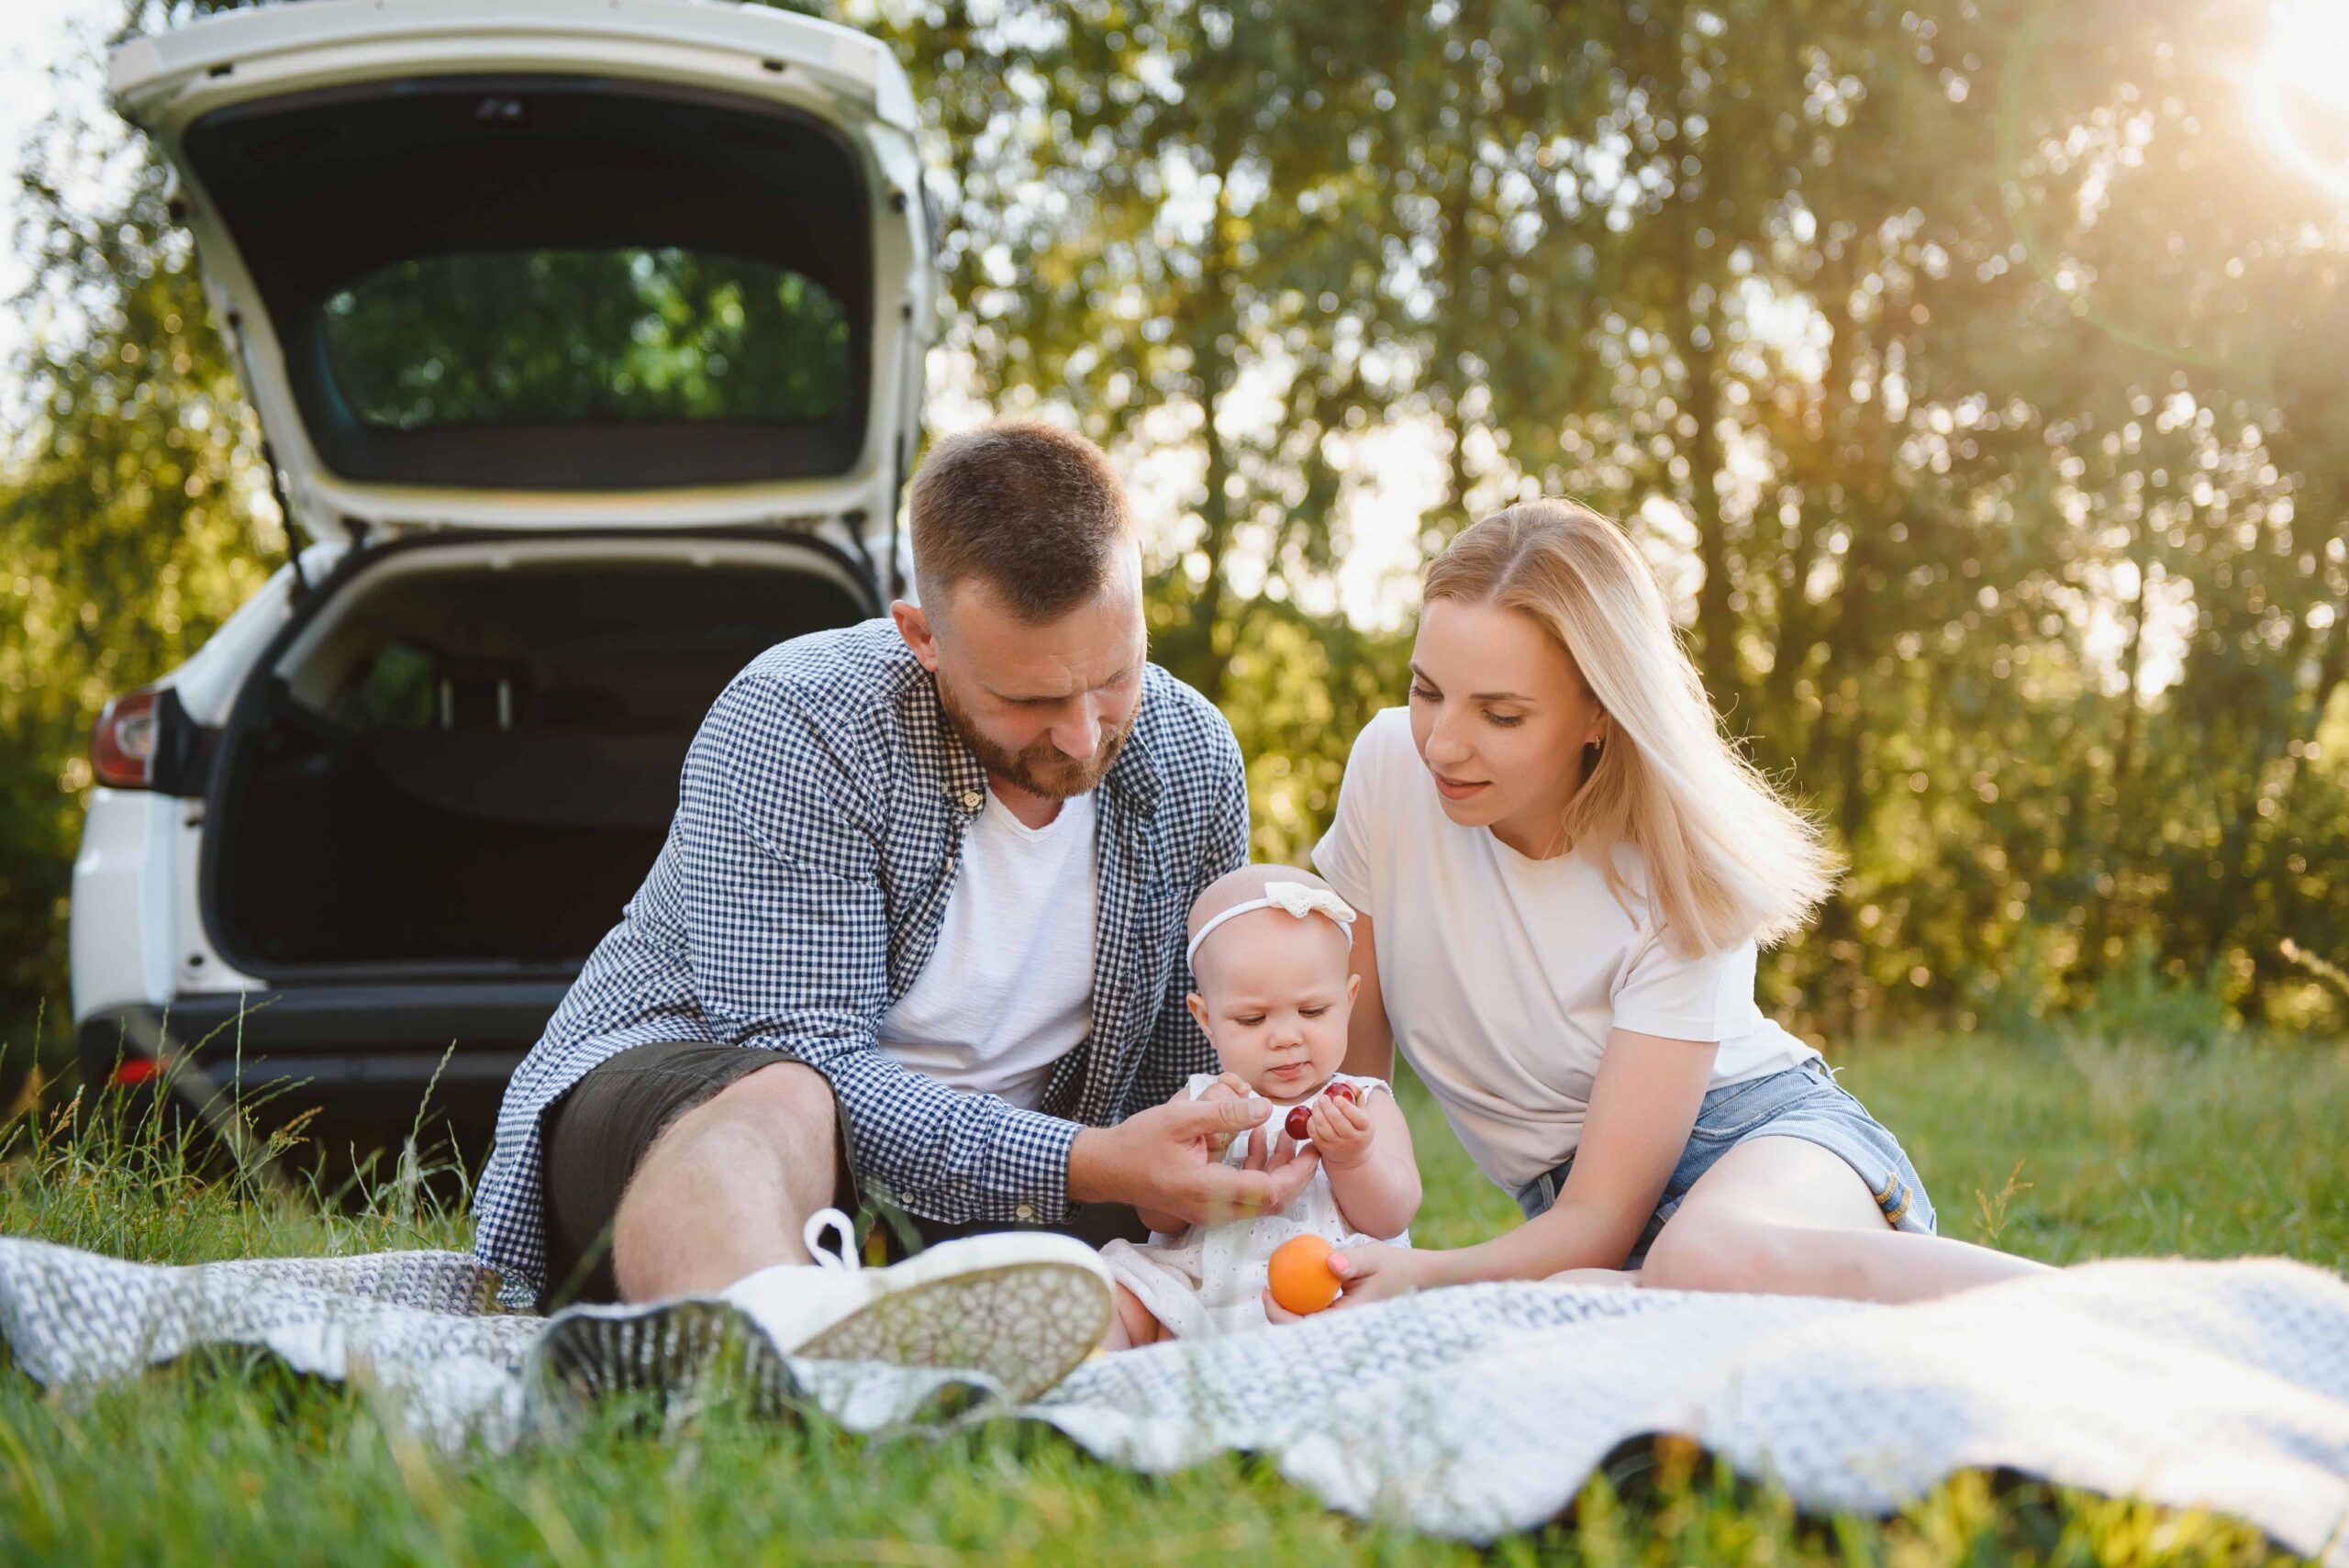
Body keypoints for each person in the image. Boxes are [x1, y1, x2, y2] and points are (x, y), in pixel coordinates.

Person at [472, 420, 1320, 1386]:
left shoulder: (1191, 754)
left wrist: (1210, 1152)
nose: (1083, 736)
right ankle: (771, 1362)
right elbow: (810, 1052)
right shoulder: (797, 720)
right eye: (1030, 702)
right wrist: (1092, 1162)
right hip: (700, 1116)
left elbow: (1181, 1069)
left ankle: (893, 1332)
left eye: (1115, 676)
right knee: (788, 1094)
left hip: (1023, 1180)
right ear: (921, 634)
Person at [1300, 498, 2054, 1310]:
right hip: (1604, 1236)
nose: (1443, 742)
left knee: (1702, 1262)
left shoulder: (1681, 870)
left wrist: (1431, 1278)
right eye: (1427, 691)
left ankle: (2123, 1312)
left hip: (1763, 1150)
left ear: (1599, 711)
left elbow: (1599, 1213)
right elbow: (1351, 1091)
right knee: (1589, 1304)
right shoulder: (1387, 767)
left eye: (1501, 713)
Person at [1098, 865, 1419, 1345]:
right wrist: (1201, 1157)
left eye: (1313, 1012)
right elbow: (1157, 1218)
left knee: (1380, 1332)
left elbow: (1392, 1215)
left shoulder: (1361, 1102)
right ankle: (1094, 1382)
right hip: (1196, 1292)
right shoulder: (1200, 1102)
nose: (1286, 1038)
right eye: (1251, 1020)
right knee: (1112, 1296)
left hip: (1324, 1299)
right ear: (1206, 1020)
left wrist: (1356, 1158)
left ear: (1349, 1000)